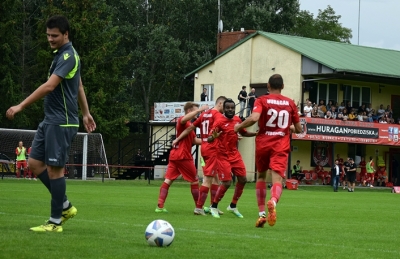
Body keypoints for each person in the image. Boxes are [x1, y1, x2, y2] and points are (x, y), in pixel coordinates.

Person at [6, 15, 96, 232]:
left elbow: (49, 86)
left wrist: (20, 106)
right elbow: (79, 85)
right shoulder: (60, 56)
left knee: (56, 171)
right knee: (35, 164)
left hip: (62, 122)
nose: (50, 39)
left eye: (54, 35)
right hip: (50, 121)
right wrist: (86, 113)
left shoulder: (68, 55)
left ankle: (55, 222)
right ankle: (64, 205)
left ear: (66, 34)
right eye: (48, 35)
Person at [234, 74, 302, 228]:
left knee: (261, 177)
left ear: (268, 86)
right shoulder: (290, 103)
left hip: (263, 143)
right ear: (282, 86)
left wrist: (238, 126)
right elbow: (298, 129)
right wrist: (289, 127)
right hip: (280, 144)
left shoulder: (261, 100)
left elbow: (254, 118)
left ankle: (261, 214)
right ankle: (273, 201)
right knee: (277, 180)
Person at [171, 96, 227, 215]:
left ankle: (213, 206)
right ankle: (199, 207)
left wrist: (177, 139)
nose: (227, 109)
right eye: (226, 106)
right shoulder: (217, 115)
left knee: (216, 178)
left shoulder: (204, 114)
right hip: (212, 149)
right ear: (220, 104)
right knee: (208, 179)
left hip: (205, 147)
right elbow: (223, 130)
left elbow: (190, 128)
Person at [207, 99, 257, 219]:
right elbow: (209, 138)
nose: (230, 110)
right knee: (227, 182)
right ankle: (213, 206)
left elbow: (243, 133)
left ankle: (233, 205)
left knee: (243, 179)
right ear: (223, 109)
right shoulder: (219, 121)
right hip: (222, 155)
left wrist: (256, 133)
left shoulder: (237, 120)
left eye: (232, 108)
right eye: (228, 108)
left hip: (235, 154)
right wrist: (212, 137)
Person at [155, 102, 208, 213]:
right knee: (194, 181)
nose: (197, 114)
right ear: (189, 111)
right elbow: (183, 120)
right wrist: (199, 110)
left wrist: (208, 141)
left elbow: (194, 141)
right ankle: (199, 207)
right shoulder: (182, 121)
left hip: (174, 155)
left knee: (168, 180)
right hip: (183, 156)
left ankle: (160, 206)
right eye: (195, 111)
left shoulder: (189, 126)